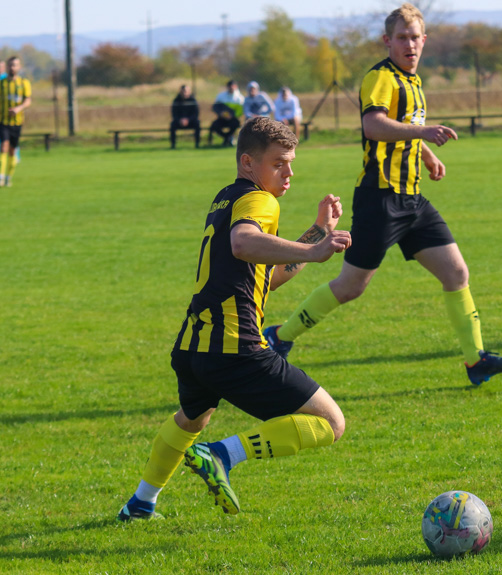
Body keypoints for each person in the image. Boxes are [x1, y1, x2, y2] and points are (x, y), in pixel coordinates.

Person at [262, 3, 502, 385]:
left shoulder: (414, 81)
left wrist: (427, 152)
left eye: (415, 37)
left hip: (412, 199)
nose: (409, 44)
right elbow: (374, 125)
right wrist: (423, 134)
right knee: (351, 286)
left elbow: (406, 126)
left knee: (456, 272)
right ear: (387, 41)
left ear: (425, 40)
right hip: (380, 198)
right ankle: (280, 337)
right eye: (401, 37)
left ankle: (475, 360)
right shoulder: (381, 77)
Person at [116, 117, 353, 521]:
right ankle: (221, 455)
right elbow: (243, 243)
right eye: (279, 163)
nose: (289, 172)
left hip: (194, 345)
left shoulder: (229, 196)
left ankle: (140, 503)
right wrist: (314, 251)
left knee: (192, 418)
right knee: (331, 423)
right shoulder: (260, 201)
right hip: (234, 347)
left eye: (291, 162)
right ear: (248, 162)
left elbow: (269, 278)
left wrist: (314, 234)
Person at [0, 56, 31, 188]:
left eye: (15, 65)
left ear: (19, 67)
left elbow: (28, 100)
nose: (13, 67)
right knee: (4, 146)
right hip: (3, 121)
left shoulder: (24, 83)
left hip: (17, 122)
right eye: (11, 65)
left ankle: (8, 177)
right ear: (7, 67)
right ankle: (1, 177)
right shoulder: (2, 84)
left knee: (12, 151)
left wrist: (19, 108)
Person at [209, 79, 244, 146]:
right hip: (222, 118)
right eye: (230, 86)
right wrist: (221, 114)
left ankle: (228, 138)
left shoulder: (240, 98)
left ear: (236, 87)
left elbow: (240, 111)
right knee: (214, 125)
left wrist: (232, 116)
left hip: (233, 118)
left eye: (233, 86)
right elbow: (215, 107)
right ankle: (227, 137)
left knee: (236, 123)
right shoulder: (221, 96)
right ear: (227, 87)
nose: (231, 88)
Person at [169, 84, 201, 149]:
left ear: (189, 91)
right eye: (182, 91)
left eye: (185, 91)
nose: (184, 93)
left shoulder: (193, 100)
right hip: (179, 121)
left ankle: (197, 144)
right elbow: (174, 114)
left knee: (197, 123)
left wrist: (188, 120)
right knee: (172, 125)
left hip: (191, 121)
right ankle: (173, 145)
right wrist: (180, 120)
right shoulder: (176, 101)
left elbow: (196, 114)